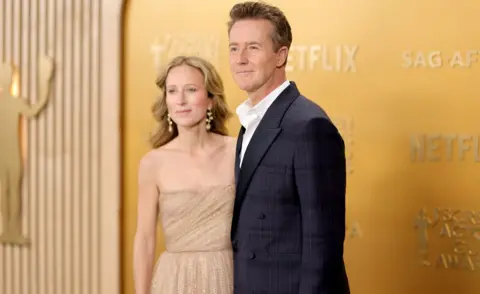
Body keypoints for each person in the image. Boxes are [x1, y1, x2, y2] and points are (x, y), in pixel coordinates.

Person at [227, 2, 350, 294]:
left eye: (253, 47)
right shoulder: (250, 121)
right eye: (234, 48)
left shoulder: (309, 126)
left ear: (280, 55)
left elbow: (323, 246)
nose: (240, 59)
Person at [133, 55, 236, 294]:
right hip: (174, 280)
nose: (180, 100)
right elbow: (145, 240)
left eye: (190, 90)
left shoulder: (237, 152)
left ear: (211, 99)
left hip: (228, 276)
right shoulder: (153, 164)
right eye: (172, 91)